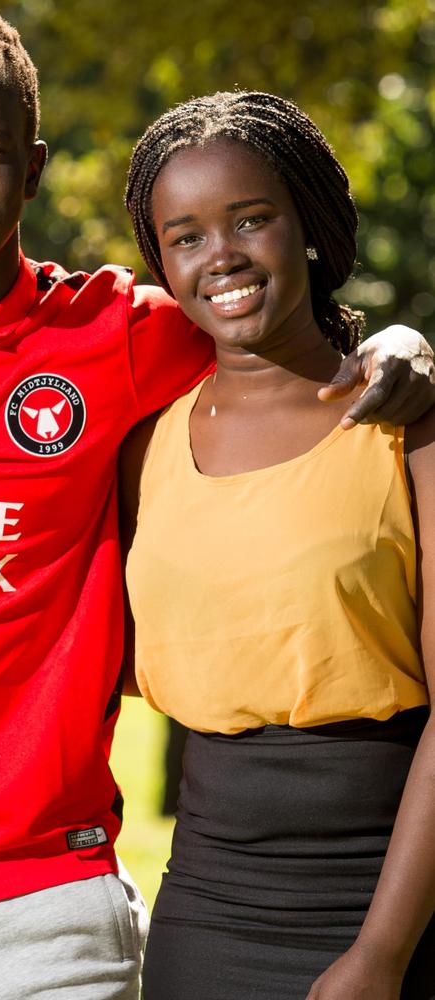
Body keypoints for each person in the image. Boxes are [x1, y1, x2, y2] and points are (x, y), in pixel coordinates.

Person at [0, 7, 431, 998]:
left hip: (51, 900)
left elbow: (280, 338)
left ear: (33, 166)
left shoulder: (122, 340)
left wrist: (400, 345)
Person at [122, 90, 435, 1000]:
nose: (220, 254)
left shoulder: (404, 423)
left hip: (389, 900)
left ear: (304, 224)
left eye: (249, 219)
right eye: (185, 236)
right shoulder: (146, 448)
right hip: (206, 908)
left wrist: (380, 957)